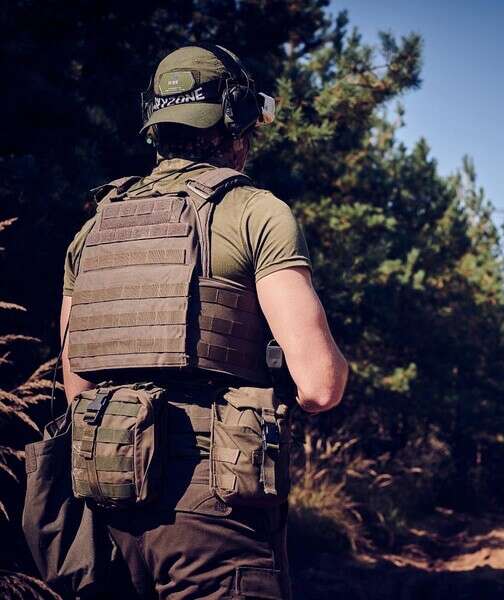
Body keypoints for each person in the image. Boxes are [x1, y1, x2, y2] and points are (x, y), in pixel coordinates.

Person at [58, 44, 348, 599]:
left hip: (105, 513)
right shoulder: (257, 212)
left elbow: (77, 386)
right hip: (215, 511)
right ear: (236, 120)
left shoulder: (92, 230)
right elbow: (320, 385)